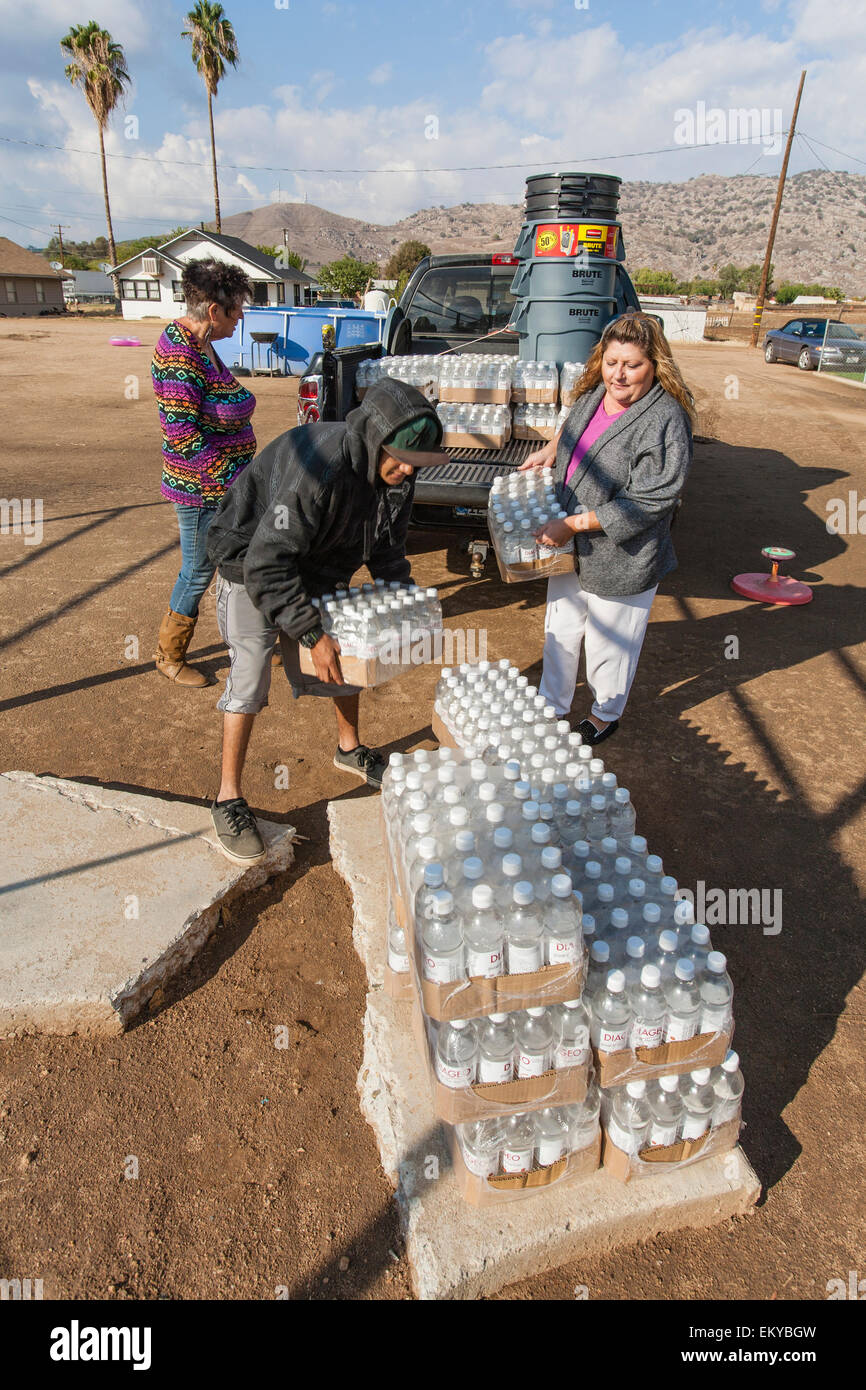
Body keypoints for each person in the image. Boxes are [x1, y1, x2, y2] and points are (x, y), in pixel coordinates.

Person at [204, 377, 449, 864]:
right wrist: (310, 633)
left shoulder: (401, 470)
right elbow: (266, 563)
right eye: (398, 458)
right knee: (251, 673)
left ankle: (349, 748)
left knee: (350, 649)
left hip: (314, 562)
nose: (405, 470)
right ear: (374, 439)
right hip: (249, 559)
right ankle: (228, 797)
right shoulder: (321, 470)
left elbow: (386, 547)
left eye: (414, 464)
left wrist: (406, 607)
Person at [521, 312, 695, 745]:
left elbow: (652, 499)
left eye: (632, 364)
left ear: (655, 365)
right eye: (612, 361)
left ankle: (604, 713)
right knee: (560, 627)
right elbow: (574, 433)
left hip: (623, 554)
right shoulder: (594, 396)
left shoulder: (665, 421)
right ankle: (552, 703)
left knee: (608, 644)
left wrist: (572, 524)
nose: (619, 374)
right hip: (574, 547)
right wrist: (550, 451)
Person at [151, 258, 256, 687]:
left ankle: (255, 639)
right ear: (214, 311)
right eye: (235, 310)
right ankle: (168, 654)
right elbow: (182, 437)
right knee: (197, 571)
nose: (240, 318)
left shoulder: (203, 344)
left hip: (226, 486)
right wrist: (238, 484)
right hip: (200, 492)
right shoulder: (180, 355)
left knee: (244, 559)